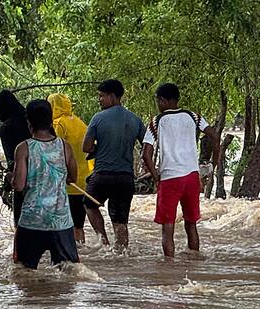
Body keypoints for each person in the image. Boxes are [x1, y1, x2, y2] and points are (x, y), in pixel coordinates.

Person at [141, 82, 220, 258]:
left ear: (163, 100)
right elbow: (214, 136)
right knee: (191, 224)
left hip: (170, 178)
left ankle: (169, 268)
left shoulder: (157, 122)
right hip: (192, 176)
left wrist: (156, 177)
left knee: (168, 227)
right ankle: (194, 261)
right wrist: (213, 165)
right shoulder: (193, 117)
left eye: (157, 101)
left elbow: (147, 154)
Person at [12, 99, 80, 270]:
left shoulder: (23, 148)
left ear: (28, 122)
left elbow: (19, 185)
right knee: (69, 272)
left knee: (24, 272)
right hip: (61, 222)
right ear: (51, 120)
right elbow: (72, 177)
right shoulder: (65, 147)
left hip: (31, 222)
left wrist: (9, 177)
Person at [81, 79, 145, 250]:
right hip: (125, 178)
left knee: (89, 204)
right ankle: (121, 252)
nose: (99, 100)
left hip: (102, 175)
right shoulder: (135, 120)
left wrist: (98, 148)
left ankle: (103, 242)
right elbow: (147, 146)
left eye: (101, 96)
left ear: (112, 96)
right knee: (120, 221)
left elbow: (85, 147)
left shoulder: (98, 118)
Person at [47, 93, 94, 243]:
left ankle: (70, 257)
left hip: (67, 182)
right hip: (84, 180)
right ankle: (81, 253)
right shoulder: (79, 122)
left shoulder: (58, 124)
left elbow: (54, 152)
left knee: (64, 225)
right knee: (78, 225)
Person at [0, 90, 31, 225]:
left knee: (21, 226)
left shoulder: (7, 128)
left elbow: (13, 162)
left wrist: (7, 188)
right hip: (49, 182)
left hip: (24, 181)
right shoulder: (32, 119)